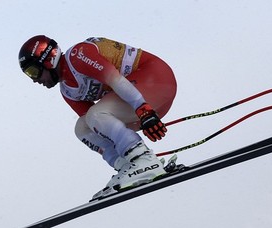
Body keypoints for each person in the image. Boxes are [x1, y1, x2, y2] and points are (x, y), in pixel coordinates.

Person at [18, 35, 178, 200]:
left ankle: (143, 159)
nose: (35, 80)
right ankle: (129, 165)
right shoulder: (67, 91)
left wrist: (143, 110)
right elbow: (100, 129)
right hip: (141, 98)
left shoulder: (77, 55)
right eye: (29, 75)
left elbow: (115, 81)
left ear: (48, 59)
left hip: (156, 79)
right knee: (83, 127)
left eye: (34, 72)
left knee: (96, 114)